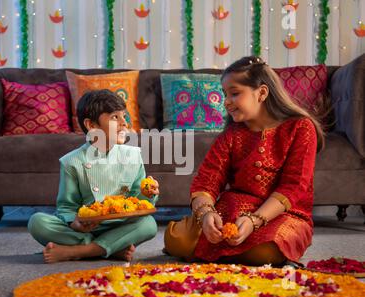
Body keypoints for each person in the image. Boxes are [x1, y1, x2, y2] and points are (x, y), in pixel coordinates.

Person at [165, 56, 325, 266]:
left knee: (267, 251)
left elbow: (293, 186)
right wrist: (206, 216)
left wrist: (254, 221)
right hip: (232, 209)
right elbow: (206, 182)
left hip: (284, 214)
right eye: (224, 95)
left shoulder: (300, 128)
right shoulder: (232, 134)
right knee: (178, 240)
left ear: (262, 93)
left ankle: (217, 252)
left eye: (234, 93)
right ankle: (225, 249)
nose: (226, 102)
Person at [28, 89, 159, 263]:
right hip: (85, 229)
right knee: (37, 222)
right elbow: (66, 207)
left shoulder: (133, 155)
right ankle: (110, 248)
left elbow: (138, 203)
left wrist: (148, 194)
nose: (124, 123)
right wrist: (76, 223)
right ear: (91, 126)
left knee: (149, 224)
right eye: (115, 117)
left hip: (121, 225)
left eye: (124, 116)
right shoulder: (71, 162)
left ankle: (80, 251)